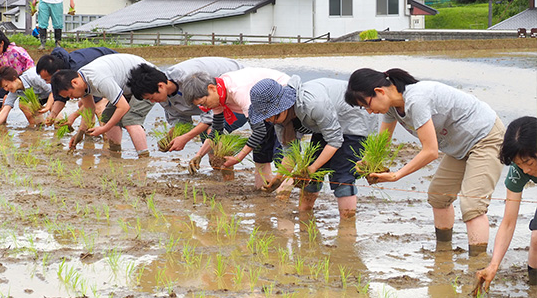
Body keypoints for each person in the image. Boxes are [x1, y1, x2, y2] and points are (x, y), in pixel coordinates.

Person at [345, 68, 505, 255]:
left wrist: (396, 175)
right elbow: (383, 142)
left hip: (485, 137)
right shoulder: (392, 109)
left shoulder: (416, 99)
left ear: (380, 91)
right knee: (438, 196)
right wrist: (367, 162)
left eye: (367, 105)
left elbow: (430, 152)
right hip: (458, 146)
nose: (369, 112)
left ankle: (477, 264)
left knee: (472, 206)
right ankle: (443, 253)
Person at [250, 76, 376, 217]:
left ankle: (347, 228)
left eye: (270, 114)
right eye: (264, 116)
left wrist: (313, 168)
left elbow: (334, 141)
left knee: (342, 176)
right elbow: (291, 152)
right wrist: (279, 178)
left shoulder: (312, 104)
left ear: (283, 105)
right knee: (309, 176)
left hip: (353, 119)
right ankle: (304, 216)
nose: (268, 119)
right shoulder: (279, 121)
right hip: (324, 126)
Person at [181, 68, 288, 189]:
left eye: (204, 102)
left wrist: (238, 158)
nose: (205, 107)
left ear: (212, 88)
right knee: (260, 150)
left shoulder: (238, 91)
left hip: (280, 101)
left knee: (282, 152)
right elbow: (217, 130)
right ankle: (264, 194)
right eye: (201, 105)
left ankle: (284, 196)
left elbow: (259, 131)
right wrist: (199, 155)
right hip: (262, 109)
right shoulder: (218, 96)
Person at [127, 58, 245, 153]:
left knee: (212, 133)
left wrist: (185, 138)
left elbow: (211, 116)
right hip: (219, 102)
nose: (152, 102)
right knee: (208, 135)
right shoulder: (164, 98)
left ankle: (226, 172)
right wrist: (170, 138)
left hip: (239, 91)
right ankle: (219, 174)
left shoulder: (189, 79)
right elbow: (182, 121)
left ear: (161, 86)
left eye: (151, 98)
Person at [474, 116, 537, 293]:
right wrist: (494, 265)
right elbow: (508, 223)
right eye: (519, 164)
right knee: (536, 239)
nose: (525, 170)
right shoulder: (519, 171)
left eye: (529, 163)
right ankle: (533, 290)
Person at [50, 53, 154, 156]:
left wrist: (104, 129)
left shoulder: (98, 79)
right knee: (107, 117)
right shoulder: (82, 82)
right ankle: (115, 152)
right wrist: (80, 133)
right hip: (128, 86)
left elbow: (123, 107)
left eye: (71, 94)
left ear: (74, 82)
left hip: (147, 80)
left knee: (131, 119)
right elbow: (89, 108)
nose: (72, 98)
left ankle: (143, 156)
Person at [36, 46, 117, 124]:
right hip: (99, 71)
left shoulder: (77, 72)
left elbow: (91, 105)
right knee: (82, 104)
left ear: (56, 72)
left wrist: (74, 116)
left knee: (99, 107)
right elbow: (60, 99)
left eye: (47, 79)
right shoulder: (58, 76)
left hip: (114, 67)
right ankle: (89, 132)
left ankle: (107, 136)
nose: (47, 83)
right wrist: (52, 115)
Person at [0, 66, 53, 131]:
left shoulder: (34, 77)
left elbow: (53, 91)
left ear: (14, 79)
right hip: (40, 97)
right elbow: (5, 110)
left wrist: (48, 107)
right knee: (27, 108)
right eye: (4, 88)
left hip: (53, 93)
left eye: (6, 86)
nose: (6, 89)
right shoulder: (14, 92)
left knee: (55, 117)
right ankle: (41, 130)